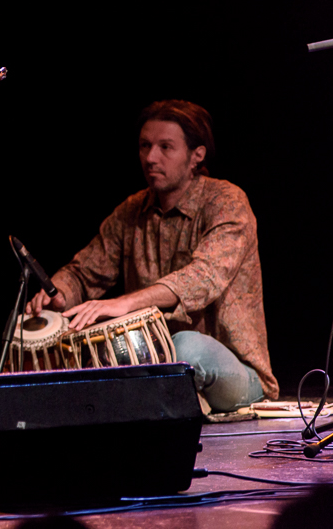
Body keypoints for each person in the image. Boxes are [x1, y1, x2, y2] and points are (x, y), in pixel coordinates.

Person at [27, 100, 278, 412]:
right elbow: (84, 272)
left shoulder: (227, 201)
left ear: (197, 155)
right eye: (145, 146)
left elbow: (203, 277)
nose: (150, 157)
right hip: (155, 363)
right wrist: (59, 294)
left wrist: (124, 303)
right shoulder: (132, 210)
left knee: (186, 348)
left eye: (165, 147)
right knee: (99, 351)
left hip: (232, 371)